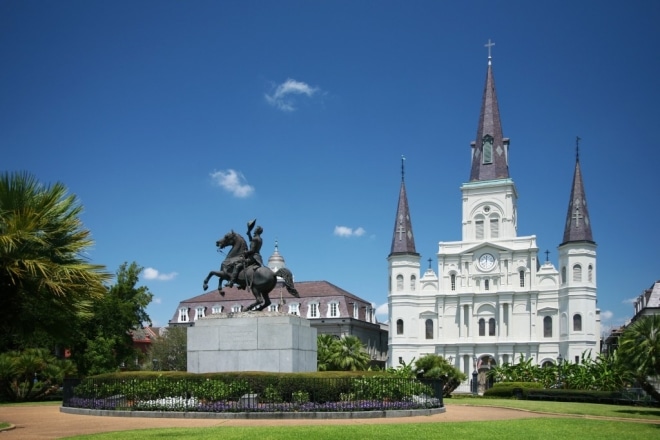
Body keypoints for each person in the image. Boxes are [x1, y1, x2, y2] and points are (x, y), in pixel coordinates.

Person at [228, 223, 263, 288]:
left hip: (252, 257)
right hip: (258, 257)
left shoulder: (255, 239)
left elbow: (252, 250)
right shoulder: (260, 239)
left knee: (237, 266)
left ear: (257, 231)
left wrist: (245, 252)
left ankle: (232, 282)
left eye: (255, 229)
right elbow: (251, 241)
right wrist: (249, 233)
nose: (254, 230)